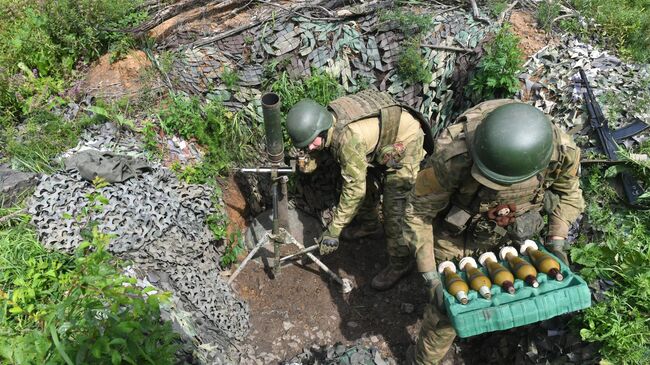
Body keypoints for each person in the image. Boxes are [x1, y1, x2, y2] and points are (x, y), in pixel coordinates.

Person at [403, 100, 585, 364]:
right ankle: (424, 361)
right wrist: (431, 276)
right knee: (445, 311)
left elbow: (570, 196)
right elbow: (418, 212)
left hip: (516, 232)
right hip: (458, 232)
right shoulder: (453, 157)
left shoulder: (560, 152)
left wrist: (556, 241)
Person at [285, 90, 433, 290]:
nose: (310, 147)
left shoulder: (348, 139)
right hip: (378, 145)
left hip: (405, 141)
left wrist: (333, 231)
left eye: (311, 142)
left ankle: (400, 264)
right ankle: (371, 227)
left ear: (320, 129)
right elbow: (324, 154)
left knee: (393, 209)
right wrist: (305, 163)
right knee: (366, 188)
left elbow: (354, 190)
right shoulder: (328, 121)